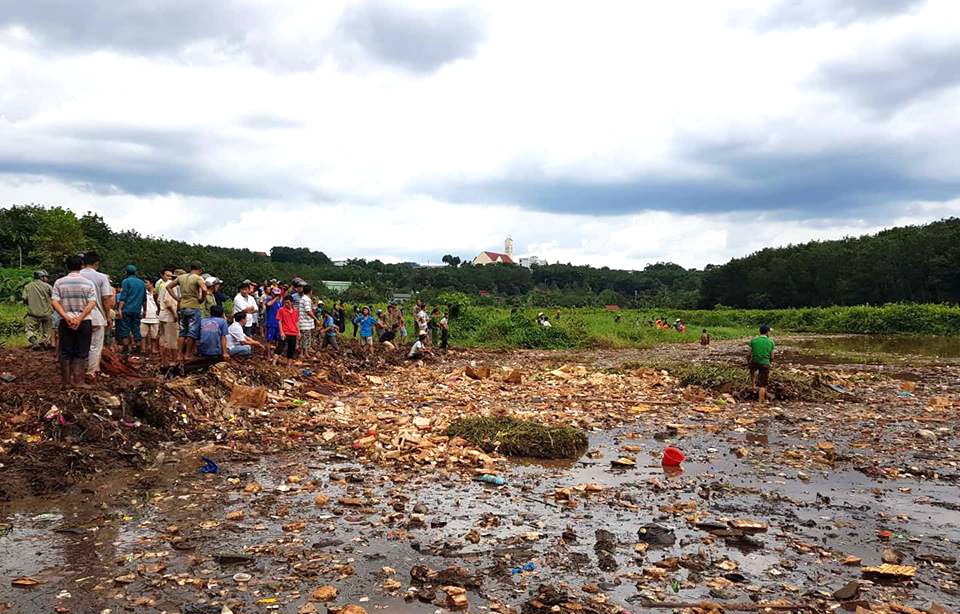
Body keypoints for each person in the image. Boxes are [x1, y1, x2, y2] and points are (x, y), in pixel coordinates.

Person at [50, 255, 97, 388]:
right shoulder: (88, 283)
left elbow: (54, 301)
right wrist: (80, 318)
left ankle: (66, 382)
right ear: (82, 266)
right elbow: (92, 303)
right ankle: (78, 381)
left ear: (67, 267)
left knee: (65, 352)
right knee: (81, 352)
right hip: (84, 322)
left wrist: (66, 317)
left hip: (65, 322)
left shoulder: (59, 282)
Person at [164, 260, 207, 369]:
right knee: (192, 332)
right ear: (200, 269)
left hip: (182, 307)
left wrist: (177, 298)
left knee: (182, 332)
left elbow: (168, 287)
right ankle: (187, 354)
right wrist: (202, 298)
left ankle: (179, 354)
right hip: (193, 306)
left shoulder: (181, 277)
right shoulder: (198, 278)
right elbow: (204, 289)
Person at [79, 251, 115, 379]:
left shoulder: (76, 275)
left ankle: (78, 370)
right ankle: (91, 371)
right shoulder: (102, 277)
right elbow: (106, 299)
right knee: (95, 346)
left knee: (80, 344)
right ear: (97, 263)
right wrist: (107, 316)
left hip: (78, 317)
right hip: (96, 315)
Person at [116, 264, 147, 354]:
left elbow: (123, 296)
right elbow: (144, 299)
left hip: (127, 309)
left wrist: (120, 309)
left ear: (126, 272)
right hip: (137, 310)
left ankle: (126, 348)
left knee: (125, 329)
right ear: (135, 272)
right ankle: (138, 347)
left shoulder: (126, 281)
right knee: (136, 329)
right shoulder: (141, 283)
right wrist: (145, 310)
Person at [22, 270, 53, 350]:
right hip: (47, 313)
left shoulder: (27, 286)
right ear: (41, 277)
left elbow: (24, 298)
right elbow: (54, 298)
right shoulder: (48, 286)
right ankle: (44, 343)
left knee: (29, 329)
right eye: (46, 277)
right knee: (47, 331)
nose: (47, 278)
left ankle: (35, 342)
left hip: (33, 314)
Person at [157, 268, 181, 367]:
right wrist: (175, 314)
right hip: (169, 316)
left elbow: (159, 300)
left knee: (163, 338)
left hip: (163, 315)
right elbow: (168, 301)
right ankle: (172, 361)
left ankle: (164, 361)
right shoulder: (172, 286)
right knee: (172, 340)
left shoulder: (164, 285)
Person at [748, 324, 775, 403]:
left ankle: (753, 385)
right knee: (763, 384)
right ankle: (760, 401)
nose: (770, 333)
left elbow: (748, 354)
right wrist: (770, 363)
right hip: (765, 363)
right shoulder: (771, 341)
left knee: (752, 370)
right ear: (767, 332)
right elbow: (772, 356)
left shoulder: (753, 340)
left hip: (754, 362)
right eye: (769, 332)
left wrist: (748, 362)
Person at [276, 295, 300, 364]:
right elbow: (279, 322)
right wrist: (281, 332)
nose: (286, 304)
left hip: (293, 332)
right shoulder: (281, 310)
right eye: (285, 302)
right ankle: (274, 363)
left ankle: (289, 365)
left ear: (292, 302)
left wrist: (298, 332)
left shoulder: (295, 311)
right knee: (280, 348)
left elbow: (296, 322)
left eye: (288, 302)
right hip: (285, 332)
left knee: (291, 350)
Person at [140, 278, 161, 355]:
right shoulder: (142, 292)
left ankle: (153, 349)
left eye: (146, 282)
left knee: (154, 336)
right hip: (144, 316)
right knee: (142, 335)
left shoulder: (156, 292)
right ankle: (143, 349)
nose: (145, 284)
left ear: (151, 284)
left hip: (155, 316)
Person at [298, 285, 319, 357]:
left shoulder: (304, 299)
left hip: (305, 323)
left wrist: (315, 303)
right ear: (310, 291)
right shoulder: (306, 299)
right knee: (305, 338)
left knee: (306, 338)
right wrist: (316, 319)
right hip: (305, 323)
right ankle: (302, 353)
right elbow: (308, 311)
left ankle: (305, 352)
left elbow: (312, 309)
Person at [263, 287, 283, 360]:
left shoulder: (279, 302)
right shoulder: (269, 299)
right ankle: (268, 355)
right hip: (271, 323)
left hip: (278, 323)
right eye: (275, 294)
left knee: (278, 340)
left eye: (278, 294)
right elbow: (268, 304)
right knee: (269, 340)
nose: (277, 295)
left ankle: (276, 355)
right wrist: (275, 298)